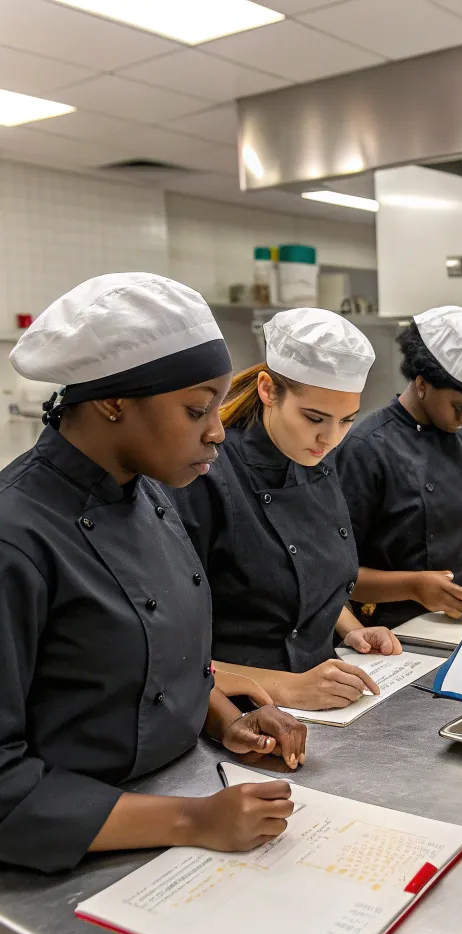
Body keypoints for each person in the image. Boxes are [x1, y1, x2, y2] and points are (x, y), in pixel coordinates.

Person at [0, 273, 306, 874]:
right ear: (114, 401)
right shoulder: (17, 536)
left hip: (180, 786)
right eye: (197, 409)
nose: (218, 430)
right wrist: (191, 820)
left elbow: (152, 659)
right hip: (67, 855)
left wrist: (226, 717)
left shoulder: (149, 492)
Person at [170, 308, 401, 712]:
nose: (329, 438)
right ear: (268, 390)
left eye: (347, 420)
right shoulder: (205, 476)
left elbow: (306, 575)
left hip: (321, 692)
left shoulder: (313, 456)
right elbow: (168, 651)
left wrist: (350, 628)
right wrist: (287, 688)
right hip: (230, 711)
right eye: (314, 417)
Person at [337, 306, 462, 629]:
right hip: (391, 631)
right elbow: (340, 572)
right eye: (460, 408)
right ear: (422, 384)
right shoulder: (367, 447)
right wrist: (415, 586)